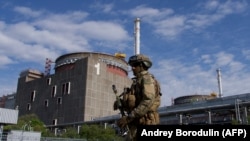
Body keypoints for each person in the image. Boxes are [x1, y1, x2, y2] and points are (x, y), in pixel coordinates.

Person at [116, 54, 161, 141]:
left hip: (146, 122)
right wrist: (122, 102)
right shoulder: (137, 82)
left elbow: (148, 100)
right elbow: (135, 102)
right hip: (137, 122)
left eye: (135, 65)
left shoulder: (146, 79)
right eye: (132, 65)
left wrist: (129, 117)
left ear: (142, 66)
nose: (132, 68)